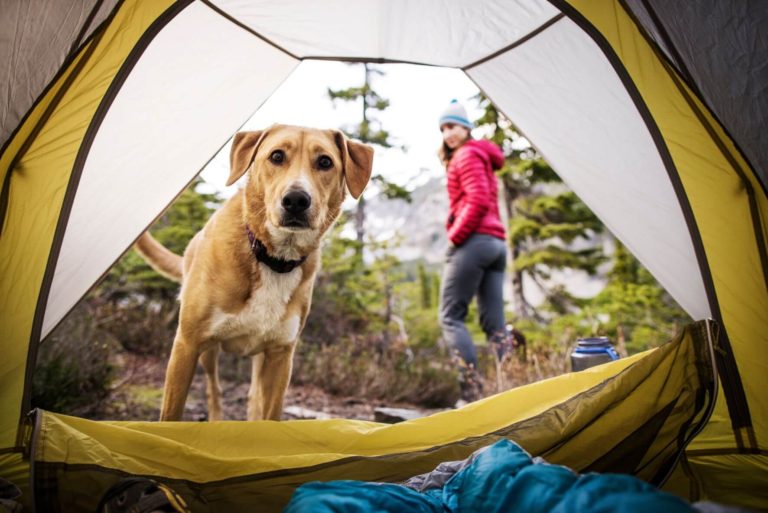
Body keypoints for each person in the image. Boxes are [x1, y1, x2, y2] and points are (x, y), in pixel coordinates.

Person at [437, 99, 508, 404]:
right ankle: (510, 385)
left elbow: (477, 200)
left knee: (451, 317)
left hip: (475, 242)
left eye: (452, 125)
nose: (447, 133)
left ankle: (471, 395)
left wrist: (455, 236)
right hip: (496, 244)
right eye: (443, 128)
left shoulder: (466, 155)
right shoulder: (481, 155)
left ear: (466, 127)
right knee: (494, 324)